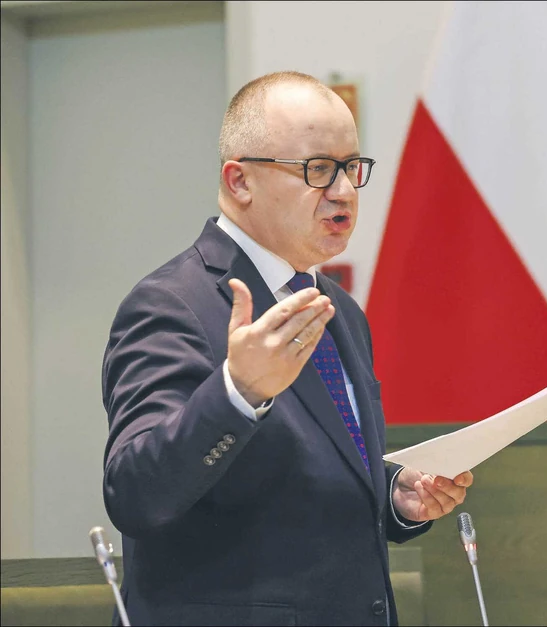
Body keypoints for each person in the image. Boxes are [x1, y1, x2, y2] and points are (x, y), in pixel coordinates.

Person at [100, 70, 473, 627]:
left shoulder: (339, 309)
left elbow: (312, 478)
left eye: (351, 167)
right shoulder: (171, 303)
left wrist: (396, 498)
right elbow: (135, 492)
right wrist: (238, 393)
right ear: (240, 182)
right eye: (318, 169)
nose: (343, 191)